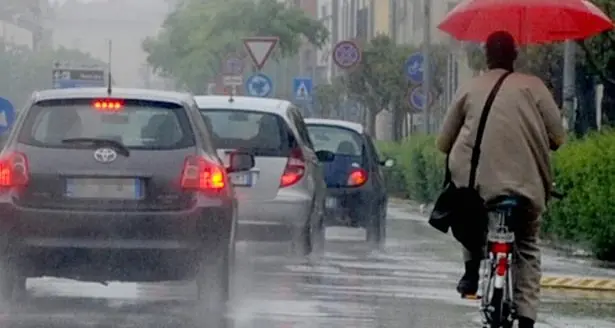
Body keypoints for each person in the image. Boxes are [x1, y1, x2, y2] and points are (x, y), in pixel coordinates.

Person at [436, 31, 566, 328]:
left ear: (486, 56)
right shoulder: (534, 87)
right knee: (528, 246)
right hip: (525, 188)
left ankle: (471, 271)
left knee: (469, 218)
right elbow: (558, 137)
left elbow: (443, 143)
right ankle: (527, 317)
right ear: (514, 56)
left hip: (478, 187)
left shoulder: (469, 89)